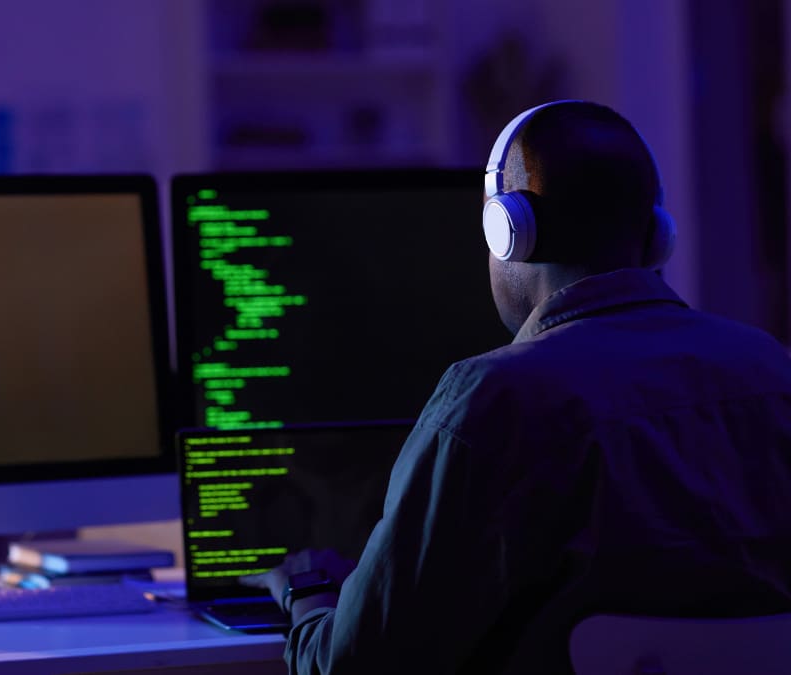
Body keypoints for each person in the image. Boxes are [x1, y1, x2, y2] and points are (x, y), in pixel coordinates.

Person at [241, 100, 791, 673]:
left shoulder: (494, 397)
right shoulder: (771, 368)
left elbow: (355, 666)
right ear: (657, 236)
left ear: (508, 232)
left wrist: (305, 589)